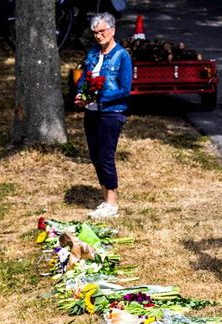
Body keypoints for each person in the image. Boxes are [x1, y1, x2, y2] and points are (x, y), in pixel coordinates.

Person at [74, 13, 132, 220]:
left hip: (111, 112)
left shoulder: (122, 56)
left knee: (107, 156)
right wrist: (81, 95)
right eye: (95, 33)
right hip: (91, 111)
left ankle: (112, 203)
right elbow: (83, 80)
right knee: (95, 156)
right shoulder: (92, 54)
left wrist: (101, 96)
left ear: (113, 30)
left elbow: (125, 89)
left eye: (102, 31)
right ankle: (104, 198)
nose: (99, 36)